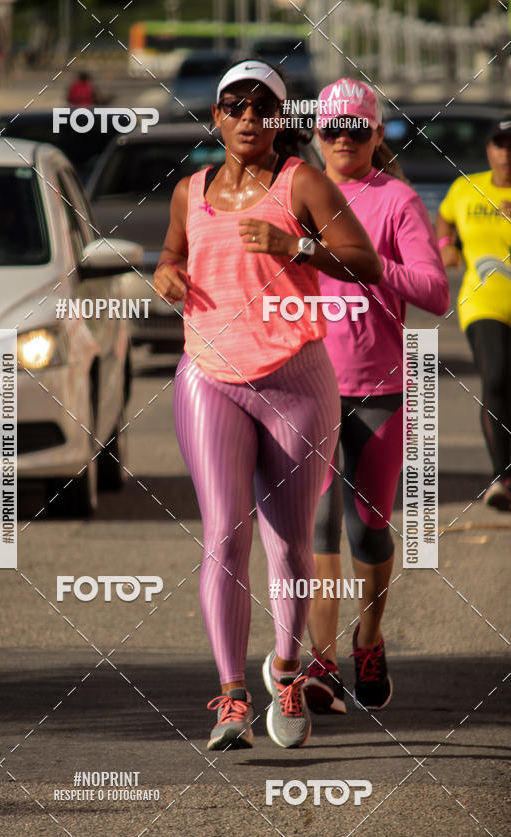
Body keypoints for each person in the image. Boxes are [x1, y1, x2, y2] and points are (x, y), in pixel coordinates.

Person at [153, 61, 382, 750]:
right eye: (234, 105)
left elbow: (365, 263)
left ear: (282, 119)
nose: (249, 117)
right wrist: (165, 272)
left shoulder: (300, 183)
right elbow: (171, 253)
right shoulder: (189, 191)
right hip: (210, 374)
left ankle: (286, 672)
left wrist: (296, 244)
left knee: (289, 538)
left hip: (295, 375)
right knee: (225, 532)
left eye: (263, 106)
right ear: (216, 117)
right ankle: (230, 699)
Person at [303, 79, 449, 716]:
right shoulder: (296, 195)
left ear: (377, 134)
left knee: (369, 534)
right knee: (316, 530)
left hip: (379, 390)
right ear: (315, 133)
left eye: (355, 130)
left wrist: (367, 265)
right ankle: (319, 663)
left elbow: (436, 293)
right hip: (304, 385)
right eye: (330, 129)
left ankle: (368, 637)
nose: (341, 140)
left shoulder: (397, 201)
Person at [436, 114, 511, 511]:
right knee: (496, 377)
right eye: (501, 144)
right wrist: (447, 243)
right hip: (484, 303)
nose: (507, 153)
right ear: (489, 149)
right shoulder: (466, 189)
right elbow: (445, 216)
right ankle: (504, 477)